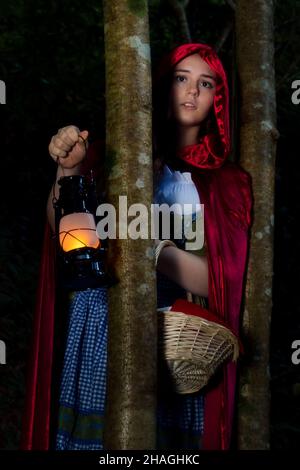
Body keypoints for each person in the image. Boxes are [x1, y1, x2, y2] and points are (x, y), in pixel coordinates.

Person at [21, 43, 252, 450]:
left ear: (218, 98)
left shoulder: (224, 184)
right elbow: (63, 230)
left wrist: (149, 247)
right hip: (97, 320)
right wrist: (69, 167)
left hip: (169, 334)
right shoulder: (116, 155)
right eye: (182, 78)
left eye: (206, 83)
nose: (192, 92)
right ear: (163, 84)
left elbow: (217, 278)